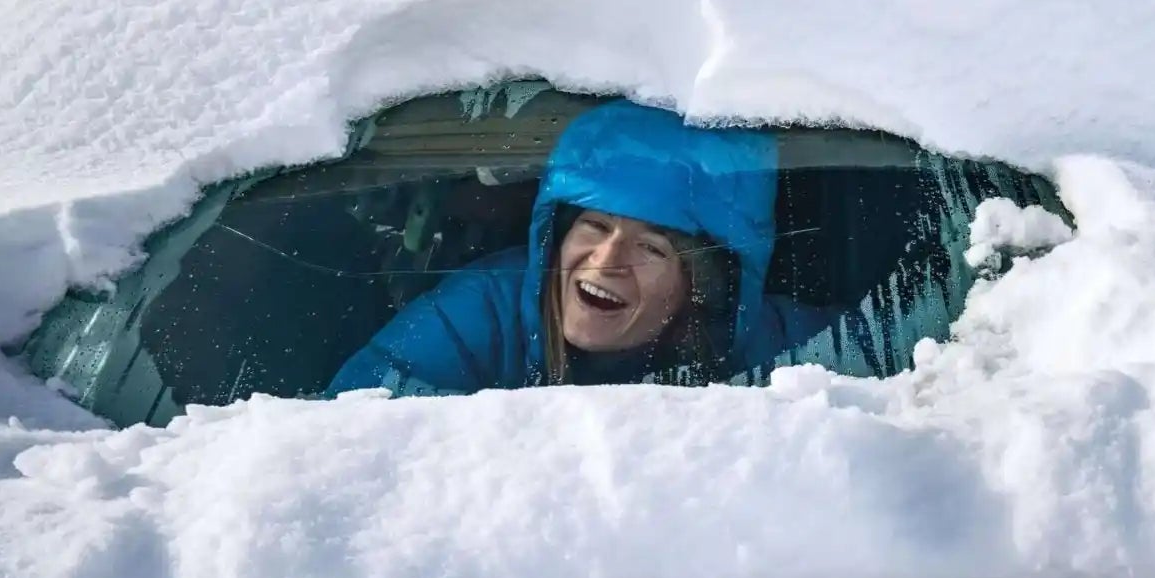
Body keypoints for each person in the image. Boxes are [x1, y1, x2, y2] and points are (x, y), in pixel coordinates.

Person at [326, 101, 825, 396]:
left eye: (652, 248)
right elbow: (351, 441)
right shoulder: (474, 317)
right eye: (594, 226)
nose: (606, 261)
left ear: (702, 285)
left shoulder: (778, 348)